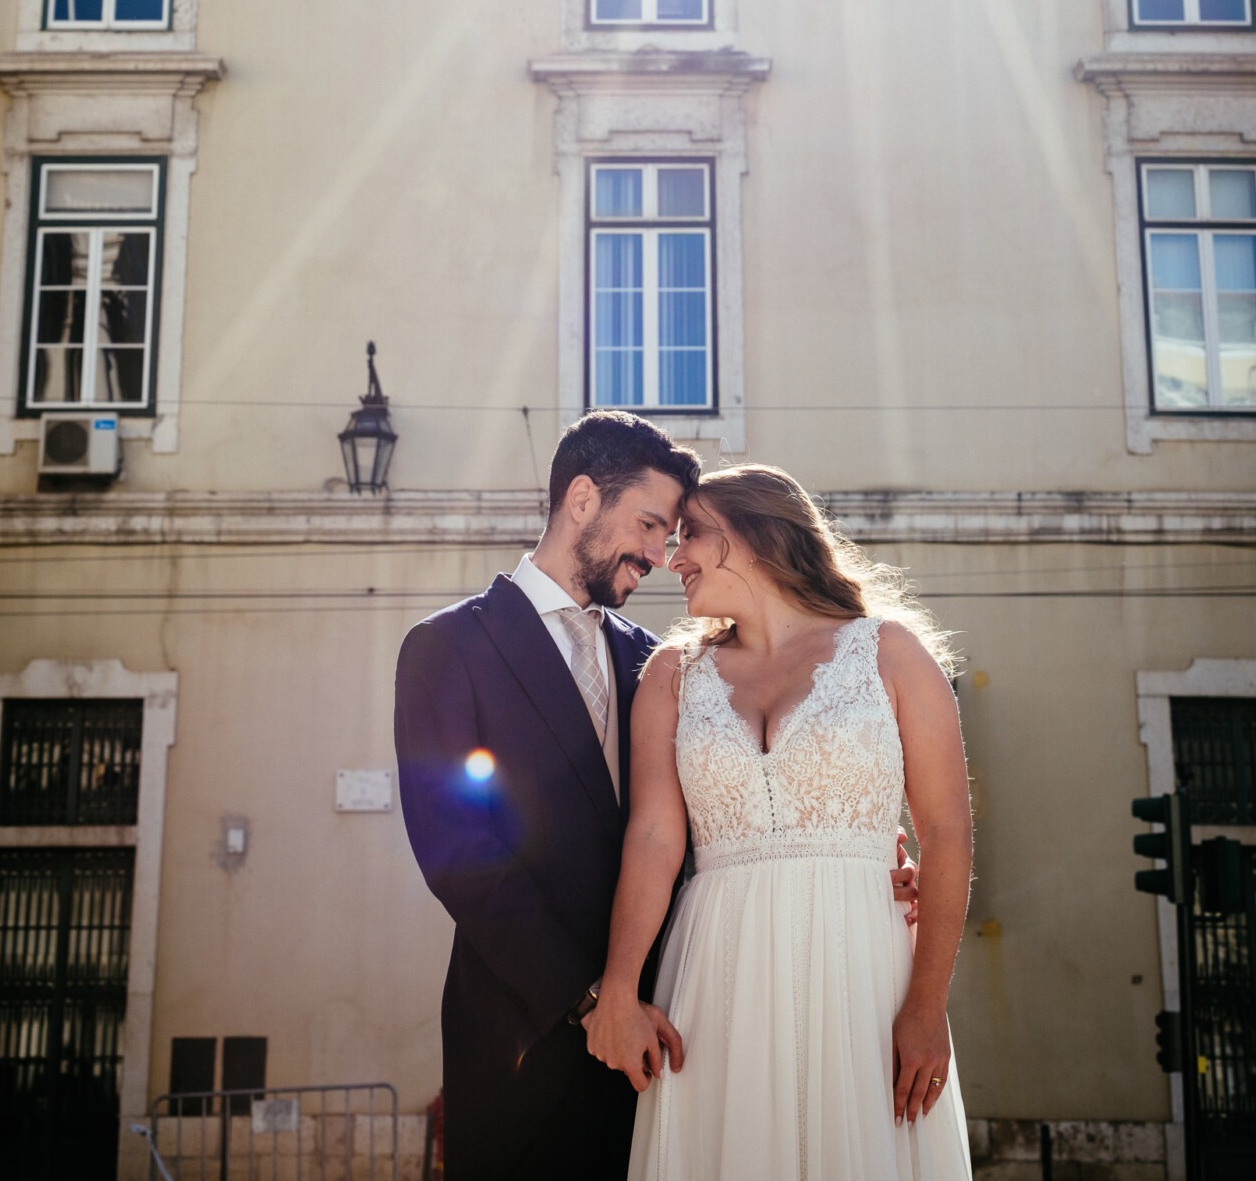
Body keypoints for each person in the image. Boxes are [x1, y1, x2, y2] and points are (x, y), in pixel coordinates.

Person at [395, 418, 923, 1181]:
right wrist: (592, 1002)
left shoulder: (665, 665)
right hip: (525, 1037)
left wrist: (867, 854)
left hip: (678, 1024)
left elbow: (710, 814)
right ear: (582, 499)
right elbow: (461, 857)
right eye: (648, 524)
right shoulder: (447, 647)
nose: (659, 553)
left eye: (672, 534)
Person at [584, 464, 973, 1181]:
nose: (674, 558)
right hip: (717, 973)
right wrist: (619, 987)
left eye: (692, 534)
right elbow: (653, 839)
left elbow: (946, 832)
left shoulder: (890, 653)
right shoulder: (673, 674)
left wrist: (926, 1005)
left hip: (863, 967)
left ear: (757, 536)